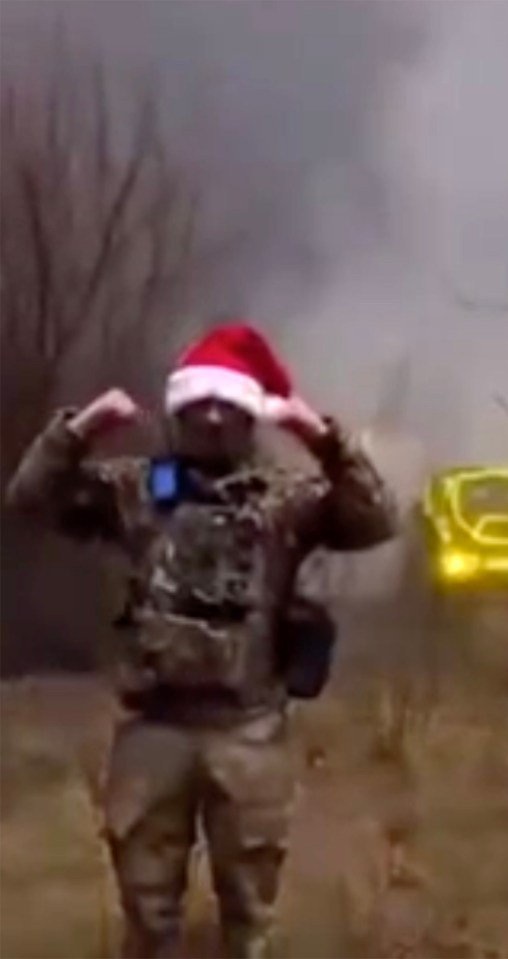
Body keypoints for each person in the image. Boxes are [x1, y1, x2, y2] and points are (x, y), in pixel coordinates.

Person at [6, 322, 397, 959]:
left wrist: (324, 442)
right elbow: (30, 499)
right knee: (146, 905)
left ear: (250, 417)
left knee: (251, 913)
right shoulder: (136, 489)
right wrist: (78, 430)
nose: (213, 421)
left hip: (247, 731)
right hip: (154, 729)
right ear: (177, 410)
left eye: (228, 408)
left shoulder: (284, 500)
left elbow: (375, 519)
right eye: (199, 406)